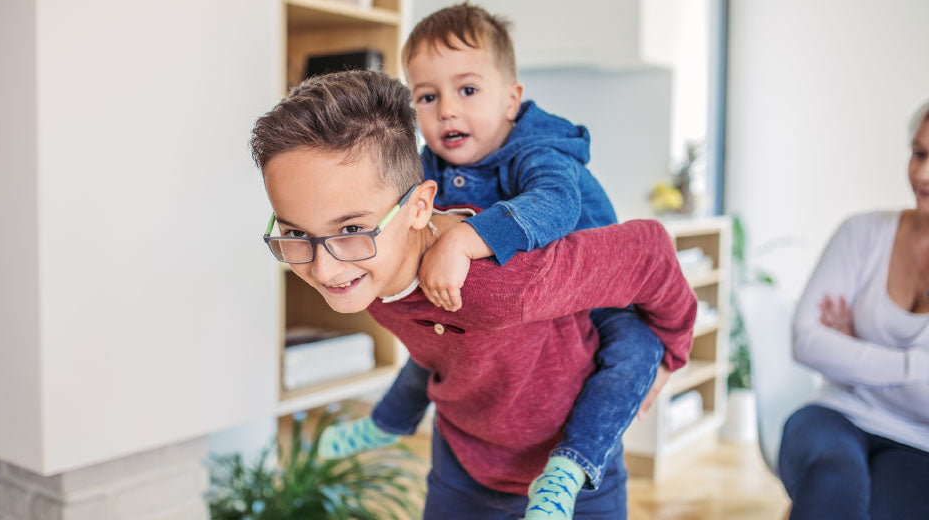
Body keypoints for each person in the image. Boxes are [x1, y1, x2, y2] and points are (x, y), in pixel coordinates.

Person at [251, 70, 696, 519]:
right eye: (296, 234)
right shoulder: (364, 273)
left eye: (351, 229)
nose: (324, 270)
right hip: (463, 465)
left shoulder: (507, 282)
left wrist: (671, 353)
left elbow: (649, 251)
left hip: (574, 474)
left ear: (419, 208)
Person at [778, 101, 929, 519]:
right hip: (837, 413)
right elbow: (806, 340)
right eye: (919, 154)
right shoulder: (862, 233)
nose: (923, 174)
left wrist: (852, 351)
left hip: (920, 445)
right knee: (832, 484)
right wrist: (915, 366)